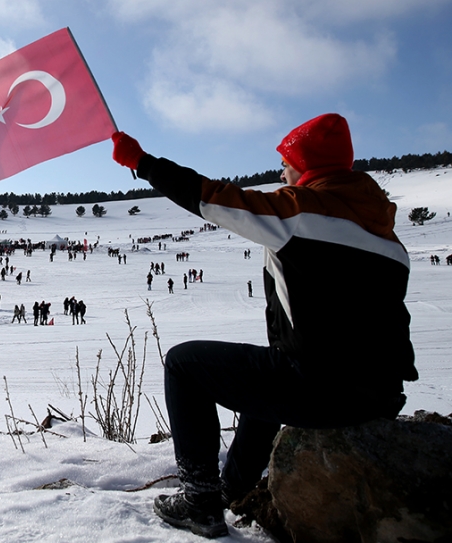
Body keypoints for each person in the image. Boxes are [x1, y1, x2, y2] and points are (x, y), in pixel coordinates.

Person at [111, 114, 417, 539]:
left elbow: (210, 198)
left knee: (183, 364)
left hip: (321, 388)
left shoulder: (299, 210)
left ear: (308, 167)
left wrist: (142, 162)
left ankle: (199, 500)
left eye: (288, 162)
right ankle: (231, 490)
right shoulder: (389, 239)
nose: (281, 171)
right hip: (380, 393)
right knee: (268, 382)